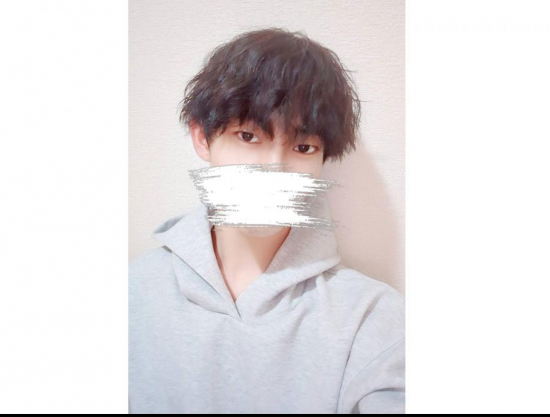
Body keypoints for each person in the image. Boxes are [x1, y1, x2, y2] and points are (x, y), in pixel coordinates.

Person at [129, 27, 405, 414]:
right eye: (248, 136)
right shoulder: (133, 293)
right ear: (202, 138)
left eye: (303, 147)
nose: (274, 170)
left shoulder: (372, 317)